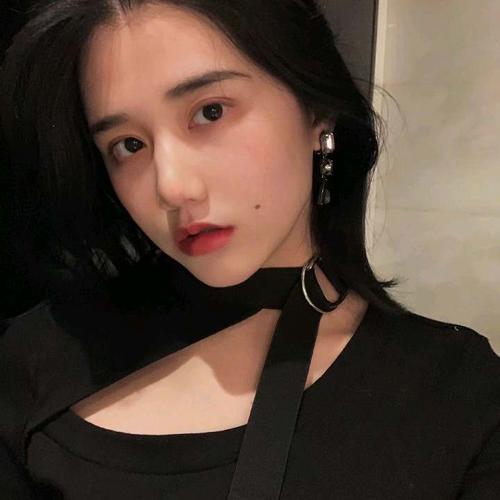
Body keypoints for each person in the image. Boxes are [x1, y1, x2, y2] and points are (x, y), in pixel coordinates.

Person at [1, 1, 498, 498]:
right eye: (129, 145)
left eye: (210, 112)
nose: (172, 188)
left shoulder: (458, 393)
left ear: (316, 110)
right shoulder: (39, 355)